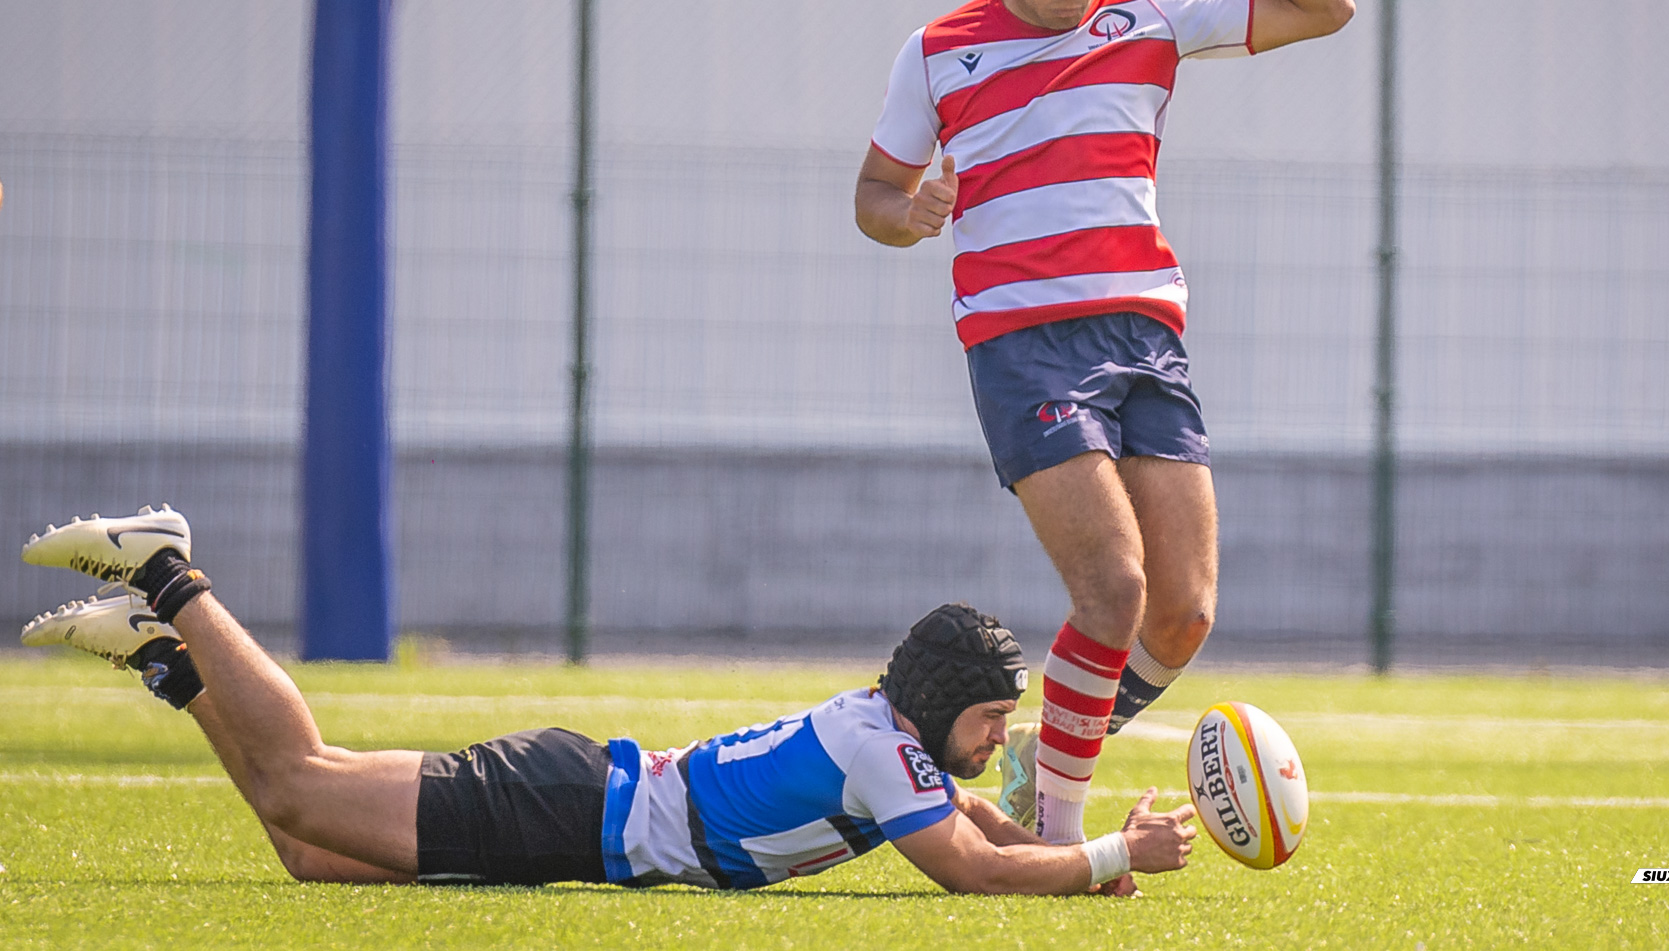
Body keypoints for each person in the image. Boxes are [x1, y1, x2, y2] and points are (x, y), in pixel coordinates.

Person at [853, 0, 1354, 844]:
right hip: (1024, 339)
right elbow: (874, 196)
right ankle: (1059, 843)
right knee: (1113, 588)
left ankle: (1050, 756)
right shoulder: (939, 50)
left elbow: (1326, 5)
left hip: (1145, 337)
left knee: (1181, 615)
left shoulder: (1150, 14)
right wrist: (915, 215)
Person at [20, 507, 1196, 894]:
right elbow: (968, 866)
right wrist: (1102, 855)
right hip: (570, 804)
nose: (1004, 733)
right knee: (304, 785)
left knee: (306, 849)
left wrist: (1095, 850)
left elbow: (986, 828)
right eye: (994, 714)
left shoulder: (889, 737)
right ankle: (171, 569)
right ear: (942, 704)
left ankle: (170, 661)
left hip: (581, 808)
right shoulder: (883, 749)